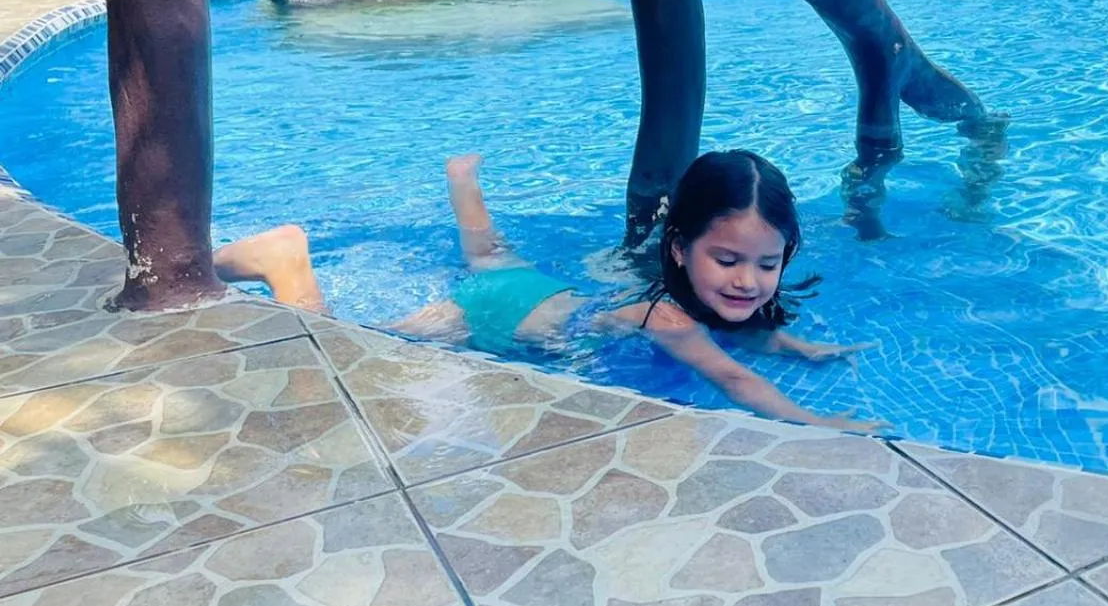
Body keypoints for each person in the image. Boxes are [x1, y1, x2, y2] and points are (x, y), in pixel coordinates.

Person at [213, 151, 878, 432]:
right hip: (501, 321)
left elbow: (742, 326)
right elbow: (734, 381)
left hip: (540, 293)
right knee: (354, 350)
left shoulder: (699, 295)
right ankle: (288, 262)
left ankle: (464, 185)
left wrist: (793, 343)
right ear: (679, 249)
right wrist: (816, 423)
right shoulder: (668, 318)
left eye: (768, 265)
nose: (748, 281)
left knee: (493, 258)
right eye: (728, 259)